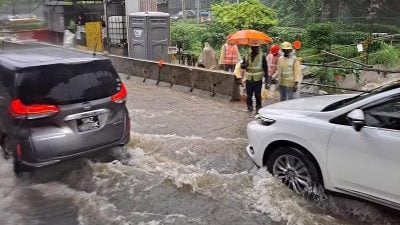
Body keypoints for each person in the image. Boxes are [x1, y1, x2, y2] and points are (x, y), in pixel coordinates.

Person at [242, 44, 268, 112]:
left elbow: (265, 68)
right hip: (249, 79)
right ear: (251, 48)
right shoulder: (247, 56)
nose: (256, 49)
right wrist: (245, 64)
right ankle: (249, 107)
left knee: (258, 95)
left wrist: (267, 79)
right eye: (254, 47)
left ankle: (258, 107)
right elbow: (241, 66)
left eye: (257, 47)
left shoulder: (262, 56)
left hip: (258, 79)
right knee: (249, 95)